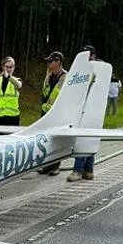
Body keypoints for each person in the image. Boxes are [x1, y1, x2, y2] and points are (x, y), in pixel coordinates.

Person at [67, 45, 100, 182]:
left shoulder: (93, 68)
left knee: (82, 139)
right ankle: (88, 170)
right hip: (87, 107)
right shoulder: (92, 67)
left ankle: (78, 170)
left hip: (89, 107)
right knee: (89, 138)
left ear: (92, 55)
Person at [37, 51, 67, 175]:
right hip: (46, 111)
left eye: (51, 61)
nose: (49, 63)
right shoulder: (49, 75)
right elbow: (45, 93)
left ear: (58, 62)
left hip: (58, 112)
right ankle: (47, 165)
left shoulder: (66, 77)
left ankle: (56, 166)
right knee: (46, 140)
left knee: (56, 140)